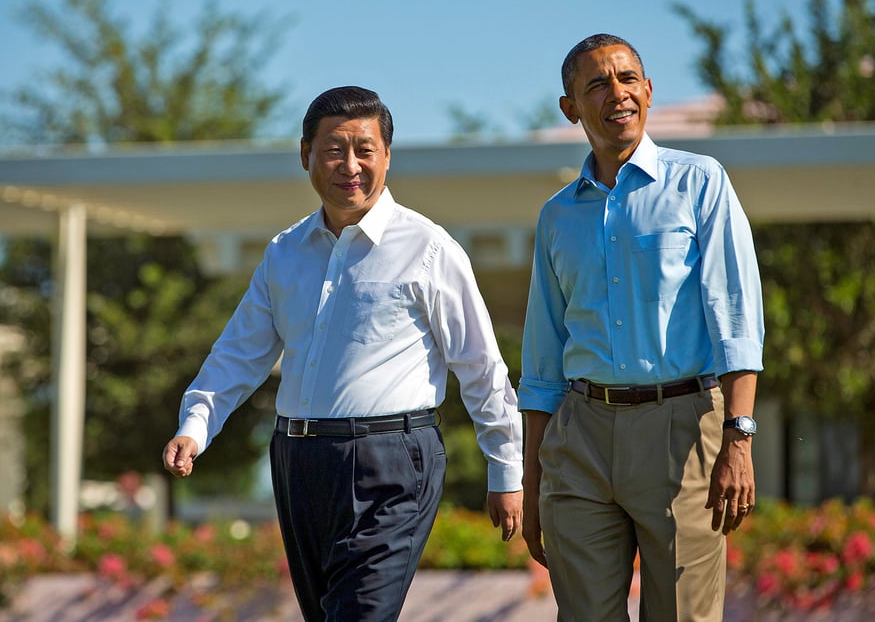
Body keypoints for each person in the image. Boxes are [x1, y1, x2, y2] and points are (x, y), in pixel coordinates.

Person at [162, 86, 524, 622]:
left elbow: (480, 366)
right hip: (297, 461)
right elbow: (240, 353)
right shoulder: (284, 252)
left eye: (364, 149)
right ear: (305, 153)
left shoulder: (429, 248)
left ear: (387, 157)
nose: (349, 165)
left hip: (392, 461)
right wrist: (196, 425)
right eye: (334, 149)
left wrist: (506, 469)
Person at [519, 34, 764, 621]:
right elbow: (542, 361)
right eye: (597, 84)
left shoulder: (701, 183)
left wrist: (739, 436)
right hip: (579, 436)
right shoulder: (557, 216)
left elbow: (736, 318)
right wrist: (531, 483)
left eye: (628, 79)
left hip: (681, 430)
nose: (617, 94)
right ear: (570, 107)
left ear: (649, 91)